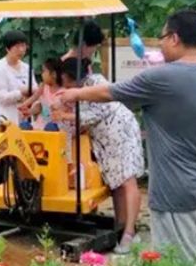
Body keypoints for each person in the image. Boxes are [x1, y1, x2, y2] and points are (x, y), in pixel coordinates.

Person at [59, 10, 196, 266]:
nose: (160, 44)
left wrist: (74, 94)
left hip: (176, 193)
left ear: (174, 38)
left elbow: (111, 92)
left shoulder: (162, 77)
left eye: (162, 37)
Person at [54, 57, 145, 254]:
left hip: (121, 134)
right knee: (116, 185)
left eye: (66, 81)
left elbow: (95, 114)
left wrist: (66, 115)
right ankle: (121, 228)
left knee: (128, 181)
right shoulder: (78, 91)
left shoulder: (96, 84)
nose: (65, 85)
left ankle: (130, 232)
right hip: (105, 141)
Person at [0, 30, 37, 125]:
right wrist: (21, 92)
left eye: (23, 46)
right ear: (7, 48)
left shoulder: (27, 67)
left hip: (25, 118)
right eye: (16, 47)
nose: (21, 50)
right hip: (5, 118)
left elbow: (35, 89)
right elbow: (2, 97)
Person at [22, 58, 63, 131]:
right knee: (24, 126)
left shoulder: (63, 92)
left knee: (51, 128)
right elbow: (38, 102)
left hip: (55, 127)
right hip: (40, 125)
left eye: (44, 71)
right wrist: (28, 108)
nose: (42, 74)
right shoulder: (44, 87)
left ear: (53, 74)